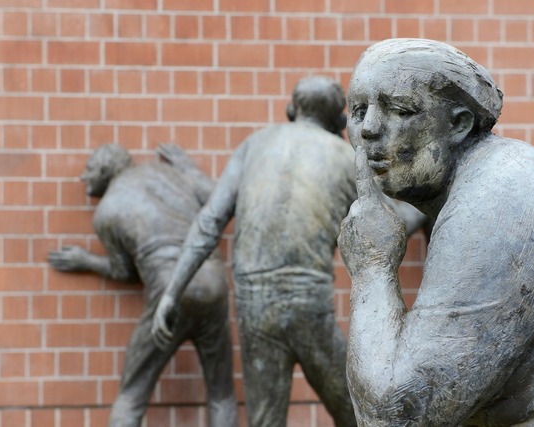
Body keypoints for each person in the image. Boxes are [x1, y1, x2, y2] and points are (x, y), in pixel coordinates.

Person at [339, 38, 534, 426]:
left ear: (457, 124)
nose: (369, 129)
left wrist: (372, 265)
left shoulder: (500, 197)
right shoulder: (490, 182)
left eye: (400, 109)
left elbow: (395, 417)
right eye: (358, 110)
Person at [152, 75, 361, 427]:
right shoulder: (345, 157)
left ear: (291, 109)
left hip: (256, 302)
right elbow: (390, 222)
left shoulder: (254, 144)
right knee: (357, 412)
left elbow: (210, 221)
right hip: (308, 302)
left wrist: (172, 292)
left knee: (265, 420)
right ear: (339, 120)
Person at [48, 143, 237, 427]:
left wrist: (86, 261)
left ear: (104, 170)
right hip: (213, 282)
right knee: (221, 394)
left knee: (131, 395)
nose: (83, 177)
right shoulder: (168, 173)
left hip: (168, 288)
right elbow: (219, 200)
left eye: (88, 169)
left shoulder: (107, 211)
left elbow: (126, 273)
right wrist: (187, 166)